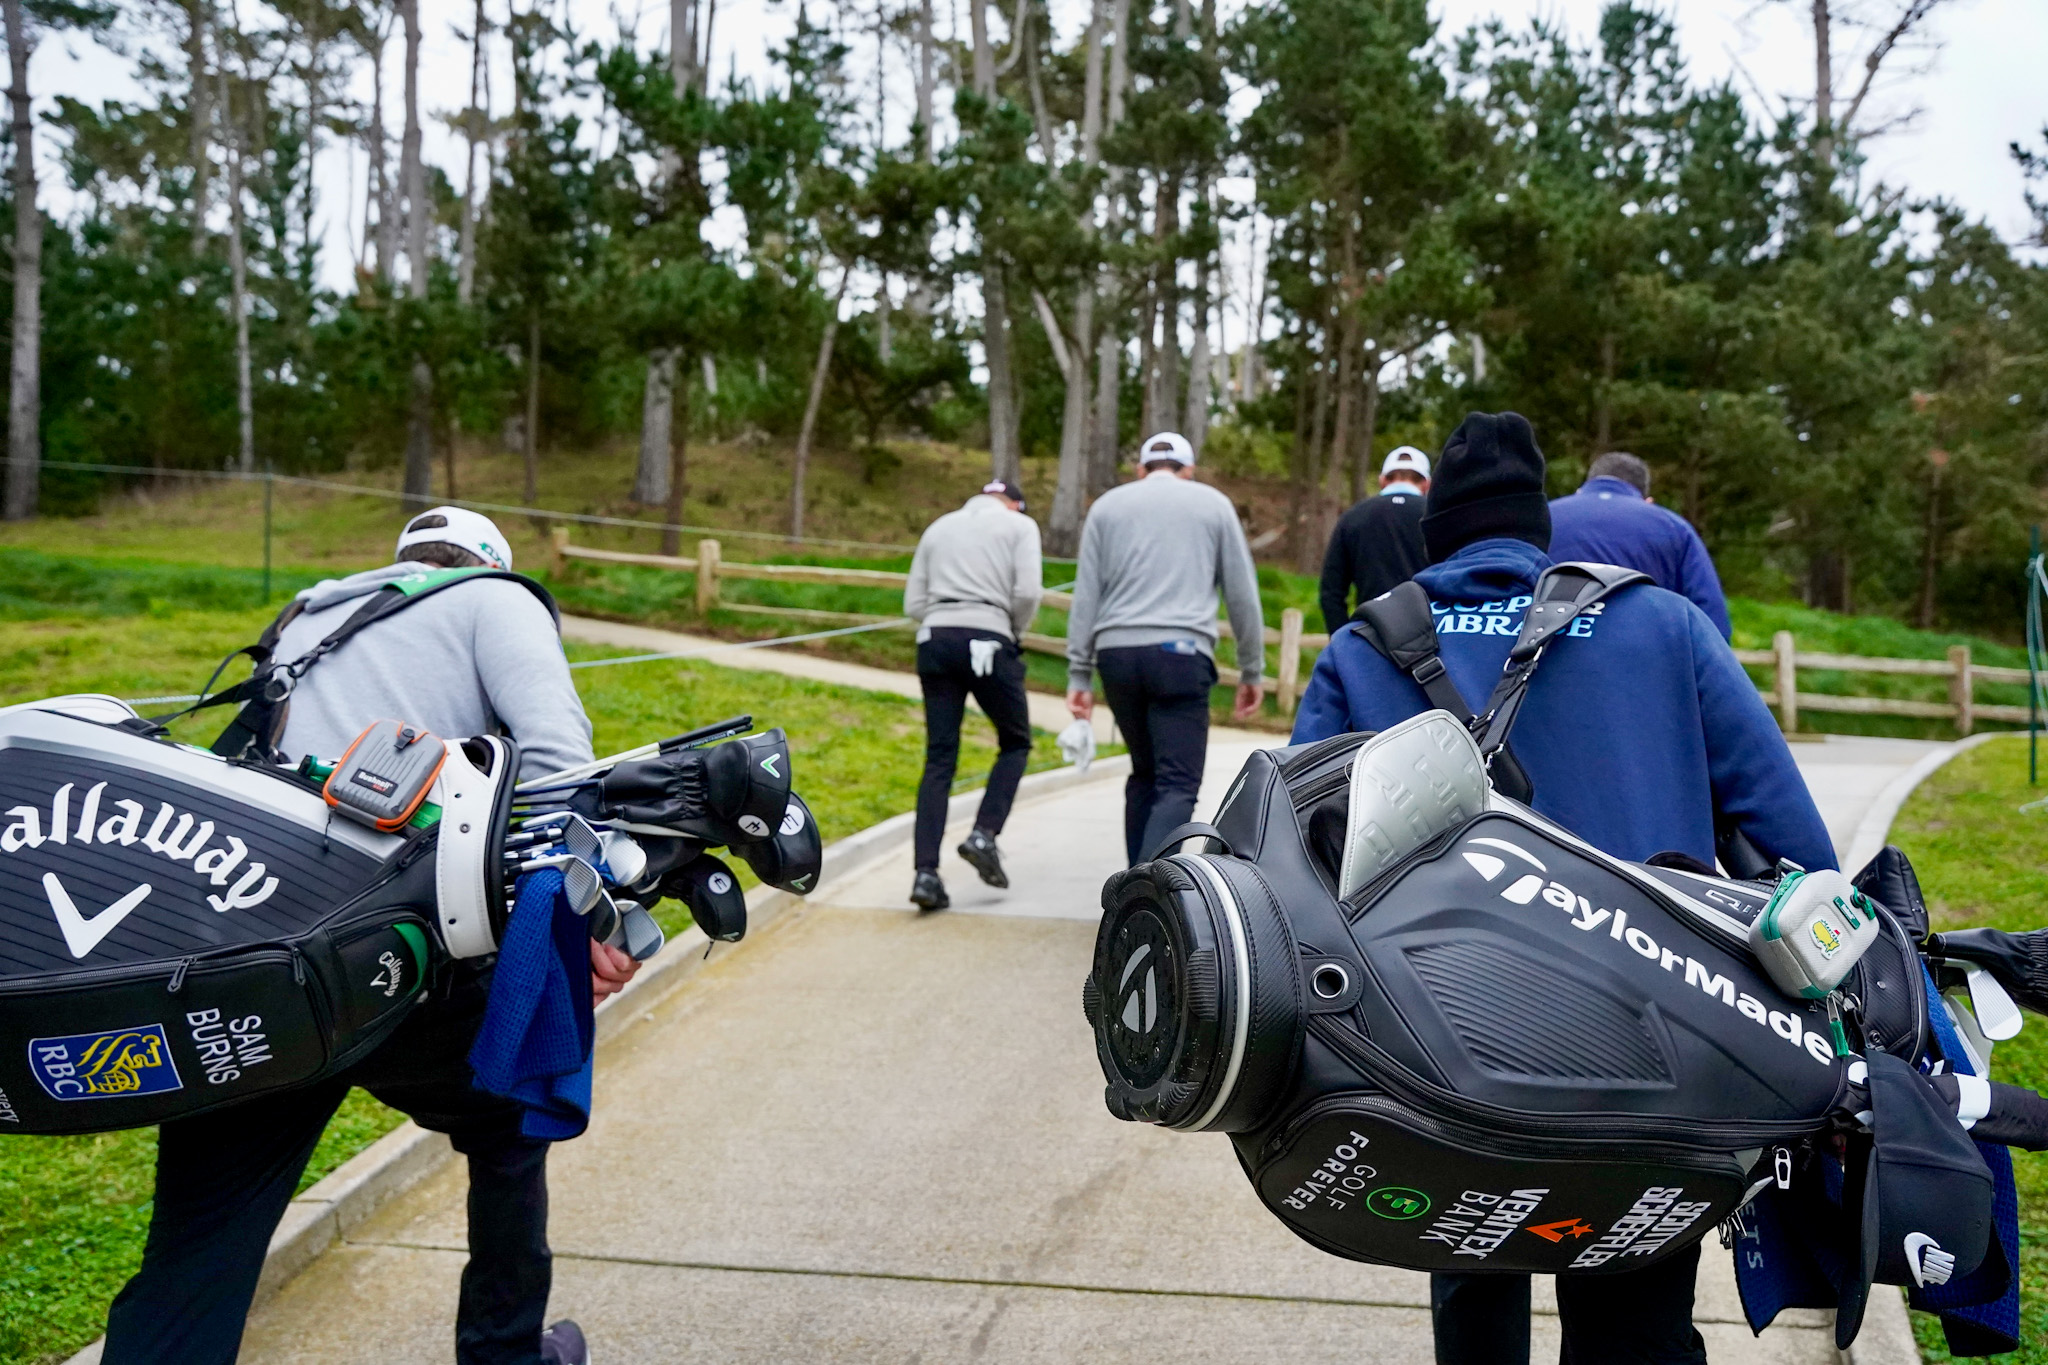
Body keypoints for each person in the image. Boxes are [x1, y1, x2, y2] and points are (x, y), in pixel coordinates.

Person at [1291, 414, 1834, 1365]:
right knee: (1636, 1318)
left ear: (1437, 530)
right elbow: (1794, 843)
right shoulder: (1665, 625)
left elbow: (1292, 865)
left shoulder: (1365, 645)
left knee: (1472, 1275)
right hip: (1652, 1048)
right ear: (1537, 526)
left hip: (1444, 1040)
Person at [102, 507, 634, 1365]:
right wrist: (587, 922)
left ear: (404, 564)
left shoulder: (308, 617)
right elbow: (559, 768)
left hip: (258, 955)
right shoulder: (496, 599)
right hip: (402, 953)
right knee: (514, 1114)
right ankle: (505, 1354)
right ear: (487, 564)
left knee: (201, 1240)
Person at [1066, 431, 1266, 866]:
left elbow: (1086, 595)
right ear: (1188, 470)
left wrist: (1078, 674)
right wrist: (1251, 669)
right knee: (1177, 783)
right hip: (1181, 654)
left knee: (1145, 773)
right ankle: (1143, 888)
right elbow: (1241, 594)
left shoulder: (1106, 508)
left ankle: (1135, 884)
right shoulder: (1213, 505)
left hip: (1117, 656)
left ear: (1141, 469)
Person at [901, 478, 1043, 911]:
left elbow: (913, 603)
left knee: (939, 757)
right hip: (989, 636)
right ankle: (984, 833)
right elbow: (1027, 592)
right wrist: (1011, 629)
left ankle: (926, 873)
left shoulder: (939, 527)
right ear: (1014, 505)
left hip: (935, 638)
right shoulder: (1020, 527)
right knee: (1015, 741)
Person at [1549, 450, 1732, 640]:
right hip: (1635, 649)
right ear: (1648, 501)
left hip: (1550, 649)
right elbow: (1710, 614)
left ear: (1579, 491)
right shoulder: (1674, 527)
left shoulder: (1545, 517)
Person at [1317, 444, 1432, 632]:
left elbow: (1331, 592)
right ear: (1427, 484)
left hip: (1371, 633)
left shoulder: (1353, 517)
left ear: (1382, 480)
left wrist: (1343, 639)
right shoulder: (1438, 518)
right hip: (1428, 634)